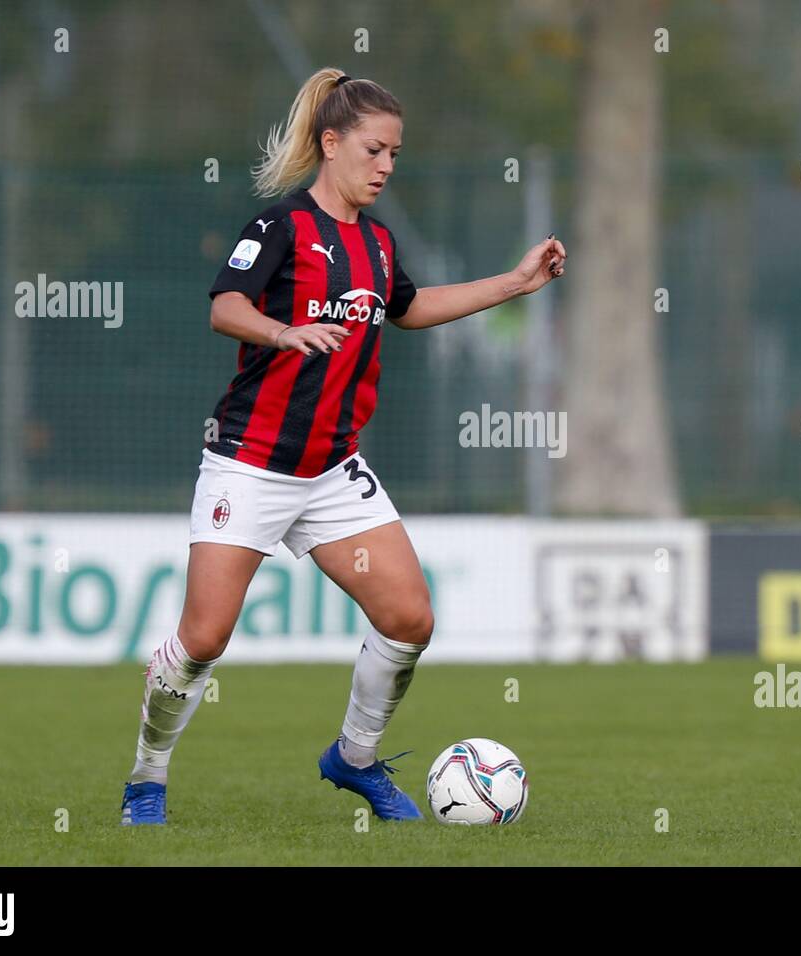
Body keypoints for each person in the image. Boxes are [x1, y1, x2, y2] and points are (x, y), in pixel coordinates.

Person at [121, 67, 567, 824]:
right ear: (331, 144)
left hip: (331, 470)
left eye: (395, 153)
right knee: (201, 640)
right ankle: (147, 777)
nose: (387, 166)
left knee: (409, 618)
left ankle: (354, 758)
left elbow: (411, 308)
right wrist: (282, 330)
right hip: (250, 463)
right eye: (375, 149)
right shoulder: (279, 229)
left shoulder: (380, 245)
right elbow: (225, 307)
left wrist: (515, 285)